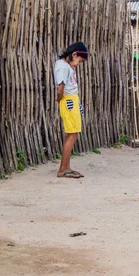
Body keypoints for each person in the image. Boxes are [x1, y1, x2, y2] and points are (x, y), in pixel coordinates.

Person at [54, 42, 88, 178]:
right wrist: (59, 99)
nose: (79, 64)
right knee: (72, 133)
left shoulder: (65, 66)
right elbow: (60, 88)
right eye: (79, 61)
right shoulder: (63, 67)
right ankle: (63, 169)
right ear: (74, 54)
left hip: (72, 100)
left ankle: (66, 167)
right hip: (68, 100)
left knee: (71, 133)